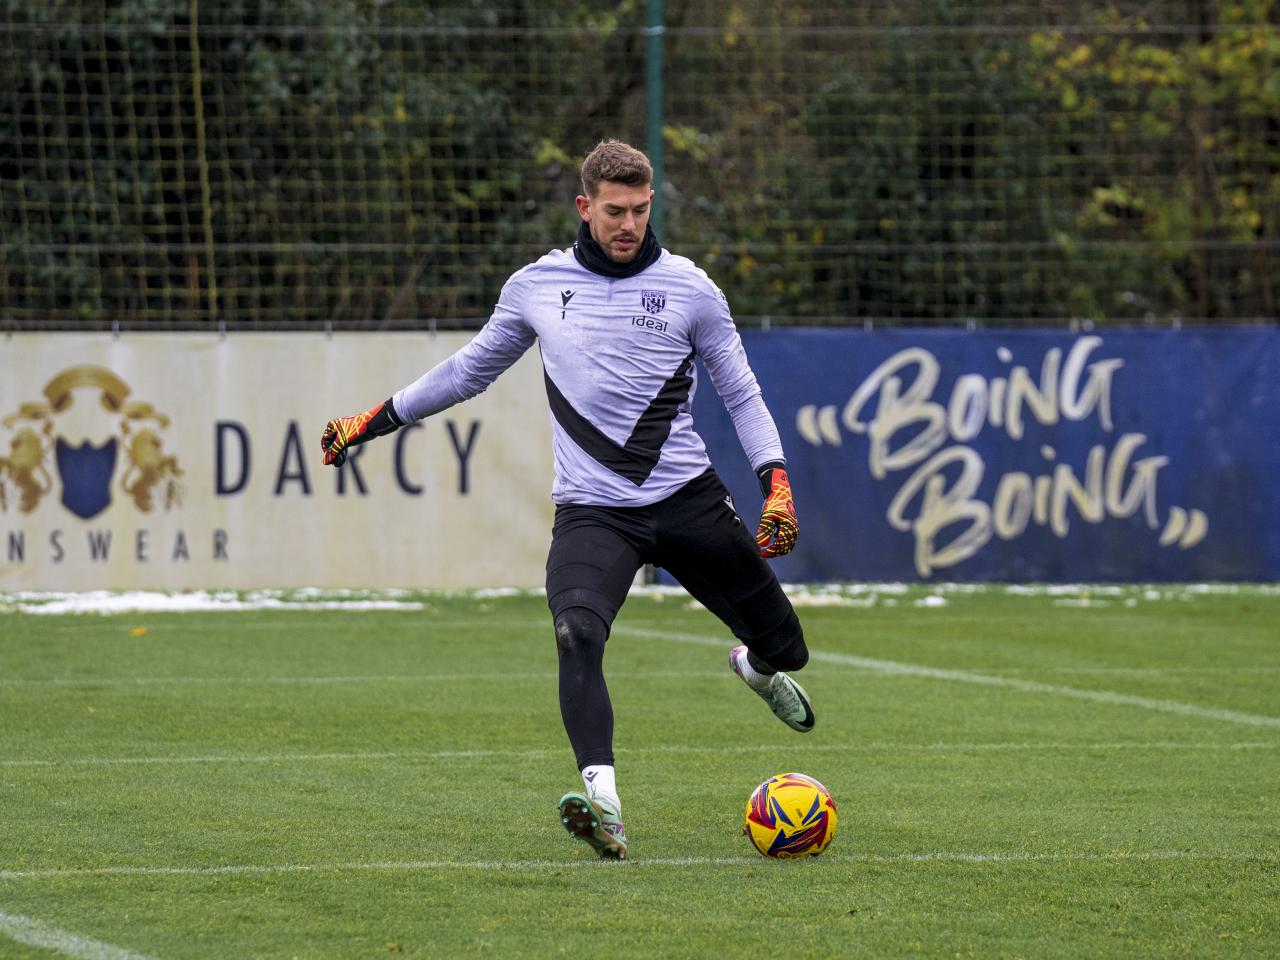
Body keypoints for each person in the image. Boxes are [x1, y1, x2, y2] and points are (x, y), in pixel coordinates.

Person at [320, 139, 813, 862]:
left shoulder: (692, 290)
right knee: (576, 631)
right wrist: (376, 418)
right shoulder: (536, 288)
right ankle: (605, 803)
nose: (629, 224)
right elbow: (469, 371)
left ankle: (758, 667)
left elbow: (742, 393)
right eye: (615, 211)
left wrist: (776, 480)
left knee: (790, 648)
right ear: (584, 207)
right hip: (593, 510)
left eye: (641, 211)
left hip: (687, 499)